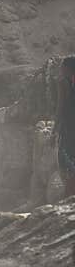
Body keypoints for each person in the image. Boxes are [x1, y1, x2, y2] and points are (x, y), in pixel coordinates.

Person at [55, 56, 75, 198]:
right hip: (69, 124)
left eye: (63, 67)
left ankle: (70, 195)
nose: (61, 70)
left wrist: (55, 129)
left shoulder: (63, 83)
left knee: (66, 161)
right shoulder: (65, 82)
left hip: (69, 126)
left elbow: (60, 107)